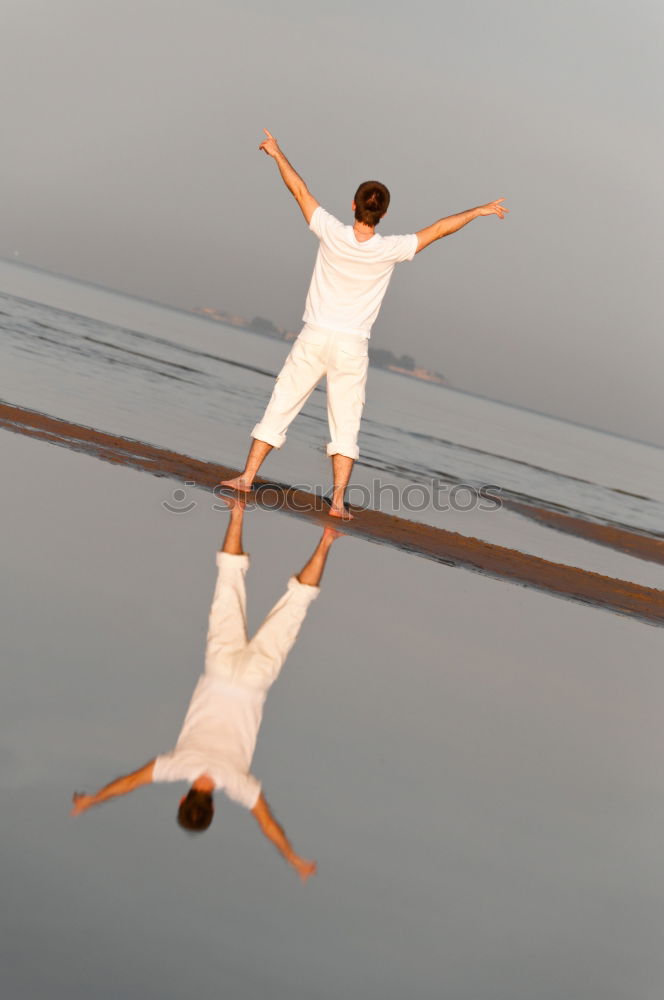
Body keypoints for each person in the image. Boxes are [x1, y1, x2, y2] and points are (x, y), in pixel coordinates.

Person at [222, 129, 508, 518]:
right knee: (346, 422)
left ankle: (246, 477)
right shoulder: (390, 249)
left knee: (282, 403)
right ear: (383, 214)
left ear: (354, 205)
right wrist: (477, 211)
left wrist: (276, 153)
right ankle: (337, 502)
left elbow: (300, 191)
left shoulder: (331, 231)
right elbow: (440, 228)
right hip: (351, 346)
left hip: (315, 336)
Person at [71, 496, 342, 883]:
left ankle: (328, 538)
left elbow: (267, 824)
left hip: (254, 682)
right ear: (183, 799)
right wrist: (92, 799)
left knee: (294, 607)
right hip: (218, 669)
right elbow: (129, 783)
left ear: (213, 807)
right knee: (228, 587)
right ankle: (236, 511)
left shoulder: (238, 783)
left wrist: (293, 857)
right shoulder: (175, 766)